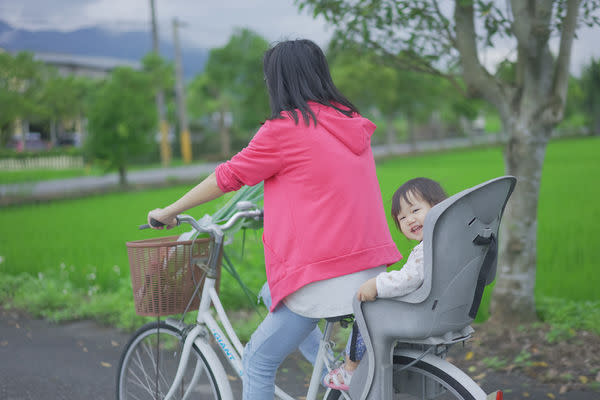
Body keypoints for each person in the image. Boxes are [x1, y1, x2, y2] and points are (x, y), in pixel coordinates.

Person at [147, 39, 402, 399]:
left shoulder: (284, 129)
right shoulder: (349, 123)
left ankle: (338, 379)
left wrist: (169, 211)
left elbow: (227, 177)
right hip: (371, 270)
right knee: (272, 292)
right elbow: (325, 190)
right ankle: (336, 378)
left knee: (257, 362)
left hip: (326, 278)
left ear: (278, 81)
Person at [323, 177, 448, 391]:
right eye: (402, 217)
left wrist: (376, 284)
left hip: (419, 314)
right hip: (440, 309)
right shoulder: (446, 242)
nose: (409, 220)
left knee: (367, 312)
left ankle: (350, 370)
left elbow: (409, 278)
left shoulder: (426, 248)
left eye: (415, 210)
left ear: (437, 208)